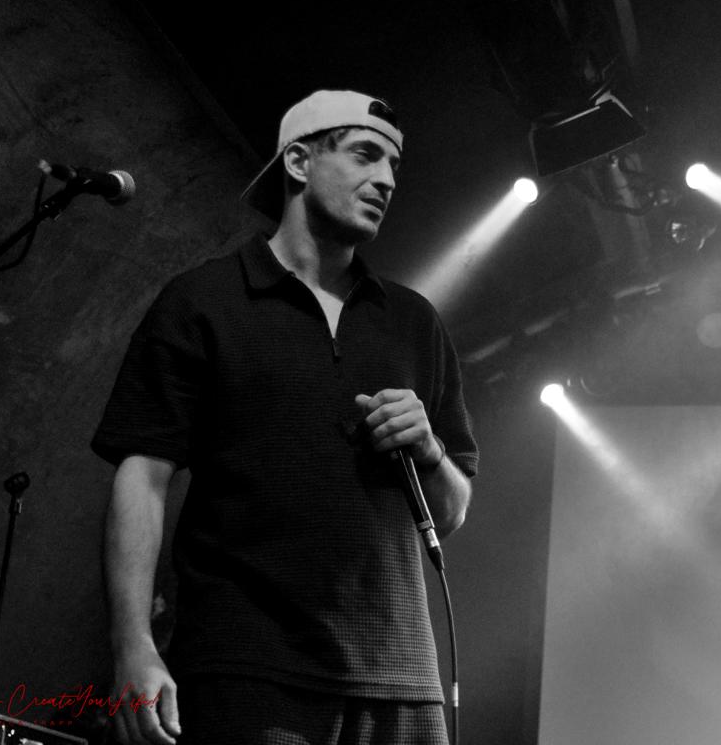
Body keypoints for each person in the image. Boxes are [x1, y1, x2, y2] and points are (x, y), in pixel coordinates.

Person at [91, 90, 478, 745]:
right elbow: (143, 477)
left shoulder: (415, 323)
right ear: (298, 162)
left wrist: (431, 450)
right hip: (247, 671)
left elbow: (452, 512)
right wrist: (132, 645)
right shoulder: (204, 301)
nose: (386, 180)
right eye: (365, 155)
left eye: (393, 166)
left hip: (403, 682)